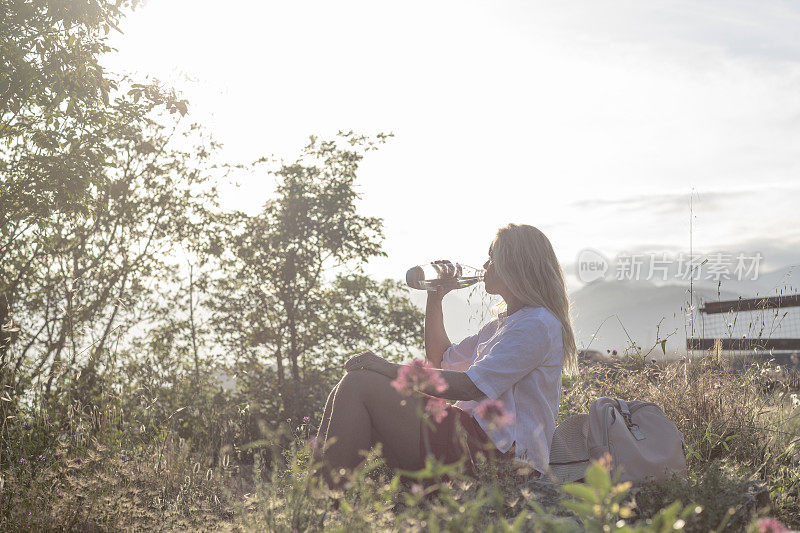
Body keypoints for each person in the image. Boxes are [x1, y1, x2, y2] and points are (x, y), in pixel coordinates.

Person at [312, 223, 578, 488]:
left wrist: (388, 368)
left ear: (514, 264)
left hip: (502, 456)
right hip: (472, 436)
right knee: (349, 384)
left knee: (361, 384)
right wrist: (435, 297)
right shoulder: (502, 325)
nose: (485, 266)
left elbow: (469, 386)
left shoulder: (537, 324)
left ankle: (323, 502)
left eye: (492, 257)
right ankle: (321, 496)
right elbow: (440, 359)